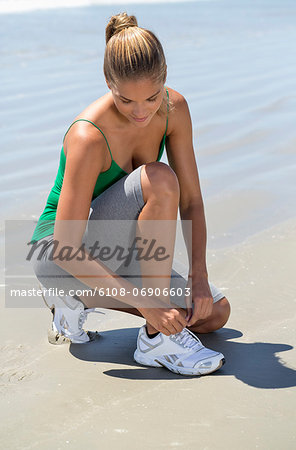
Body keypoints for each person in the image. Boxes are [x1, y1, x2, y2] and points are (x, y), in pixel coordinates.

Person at [29, 12, 230, 376]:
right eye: (126, 101)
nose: (140, 112)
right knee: (160, 178)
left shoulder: (175, 109)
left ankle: (74, 302)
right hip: (61, 255)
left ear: (165, 80)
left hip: (120, 248)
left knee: (214, 313)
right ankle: (156, 339)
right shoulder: (87, 136)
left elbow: (193, 202)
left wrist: (199, 275)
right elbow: (65, 247)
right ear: (108, 83)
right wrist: (152, 308)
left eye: (152, 98)